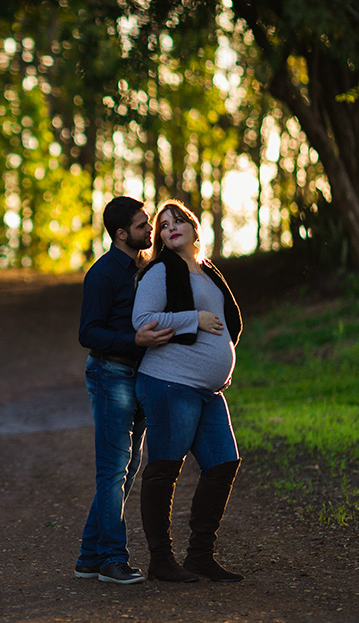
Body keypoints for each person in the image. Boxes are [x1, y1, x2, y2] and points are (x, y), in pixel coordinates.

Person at [131, 199, 244, 583]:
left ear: (196, 229)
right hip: (169, 382)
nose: (171, 227)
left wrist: (222, 364)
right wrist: (192, 318)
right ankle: (161, 560)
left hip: (208, 390)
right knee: (164, 468)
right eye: (163, 225)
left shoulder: (208, 271)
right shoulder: (160, 272)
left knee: (223, 463)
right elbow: (143, 321)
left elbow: (228, 325)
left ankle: (199, 556)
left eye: (179, 221)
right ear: (160, 238)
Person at [74, 196, 175, 584]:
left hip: (140, 375)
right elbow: (88, 332)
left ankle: (88, 557)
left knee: (126, 469)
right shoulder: (102, 275)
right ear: (121, 234)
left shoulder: (146, 270)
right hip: (110, 374)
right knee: (113, 470)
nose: (150, 230)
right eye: (141, 225)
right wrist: (135, 340)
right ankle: (112, 560)